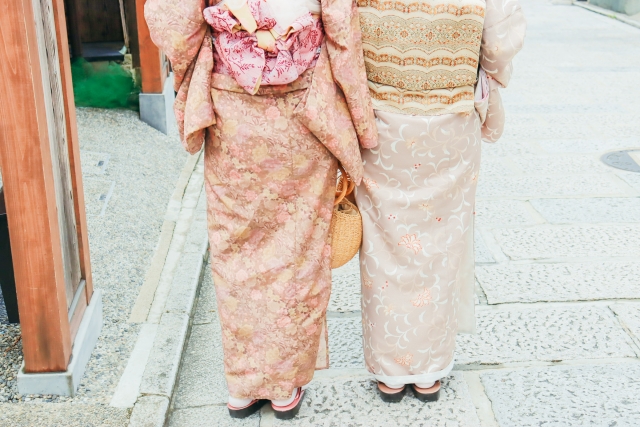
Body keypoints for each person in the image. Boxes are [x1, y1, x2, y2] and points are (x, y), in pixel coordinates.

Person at [145, 0, 377, 419]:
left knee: (236, 245)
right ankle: (284, 383)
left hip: (233, 108)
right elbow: (341, 25)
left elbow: (172, 18)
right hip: (303, 111)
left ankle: (243, 385)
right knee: (297, 248)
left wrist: (195, 60)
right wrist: (360, 120)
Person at [355, 0, 526, 402]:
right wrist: (488, 72)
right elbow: (500, 41)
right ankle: (428, 366)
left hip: (382, 120)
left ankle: (391, 369)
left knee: (384, 240)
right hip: (450, 119)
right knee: (440, 241)